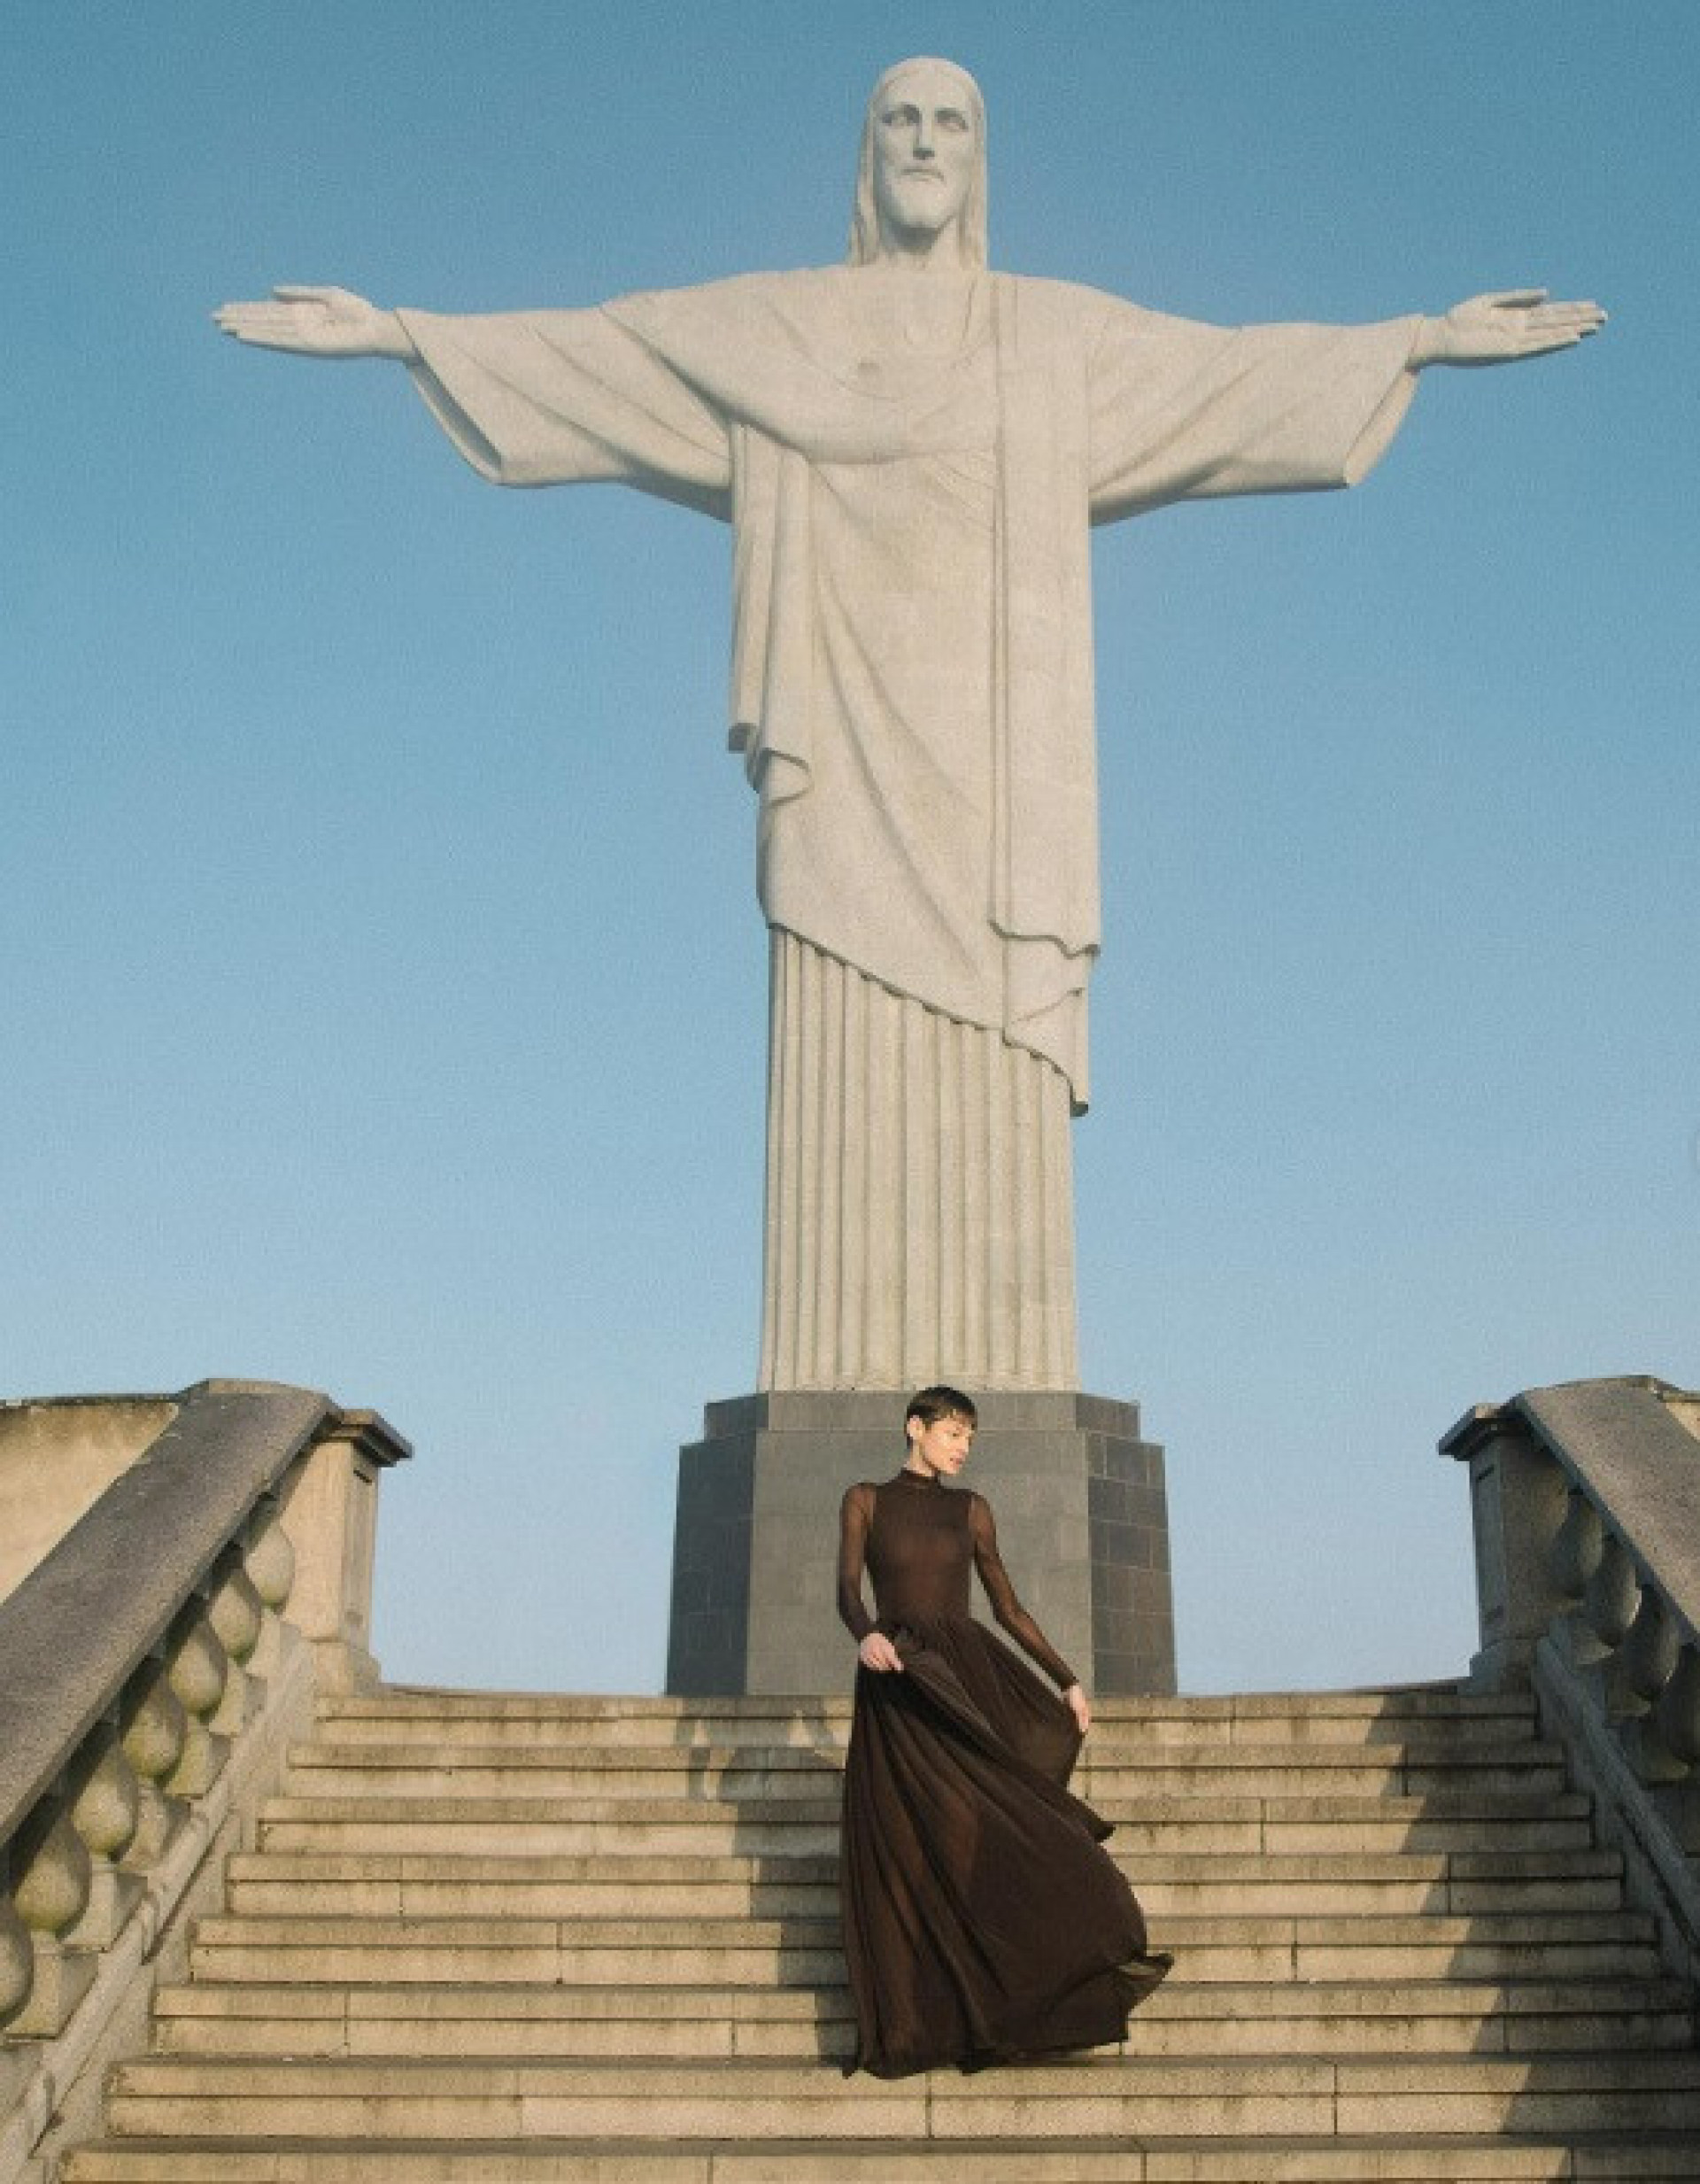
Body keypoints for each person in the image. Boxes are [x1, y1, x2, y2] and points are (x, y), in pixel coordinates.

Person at [214, 59, 1603, 1398]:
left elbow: (1227, 376)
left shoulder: (1051, 337)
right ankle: (835, 1367)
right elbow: (608, 352)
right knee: (839, 1027)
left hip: (1002, 771)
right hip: (843, 749)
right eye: (900, 121)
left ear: (979, 159)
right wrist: (404, 331)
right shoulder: (780, 329)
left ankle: (997, 1375)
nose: (927, 142)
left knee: (997, 1041)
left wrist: (1414, 338)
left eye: (951, 121)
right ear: (867, 157)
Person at [835, 1385, 1172, 2075]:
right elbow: (846, 1589)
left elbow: (1008, 1607)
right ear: (916, 1428)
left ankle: (996, 2003)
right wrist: (867, 1634)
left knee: (977, 1832)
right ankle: (918, 2018)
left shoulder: (971, 1510)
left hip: (962, 1677)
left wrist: (1066, 1678)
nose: (962, 1446)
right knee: (903, 1842)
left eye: (969, 1437)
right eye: (953, 1432)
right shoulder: (865, 1499)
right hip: (898, 1678)